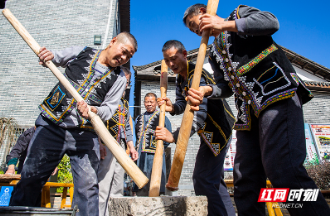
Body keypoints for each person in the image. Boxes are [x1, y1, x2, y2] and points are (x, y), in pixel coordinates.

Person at [183, 4, 330, 216]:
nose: (193, 30)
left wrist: (224, 24)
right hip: (247, 115)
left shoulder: (238, 14)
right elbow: (225, 86)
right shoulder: (213, 53)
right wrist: (207, 90)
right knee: (245, 178)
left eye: (192, 24)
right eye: (189, 29)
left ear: (204, 14)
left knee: (283, 169)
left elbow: (271, 22)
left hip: (276, 95)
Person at [9, 32, 138, 216]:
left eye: (129, 56)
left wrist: (94, 111)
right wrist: (49, 55)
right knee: (31, 177)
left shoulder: (118, 79)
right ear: (113, 41)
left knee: (88, 189)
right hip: (52, 124)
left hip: (85, 134)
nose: (124, 58)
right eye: (124, 51)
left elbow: (109, 109)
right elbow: (56, 57)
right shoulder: (83, 52)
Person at [155, 40, 236, 216]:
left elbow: (198, 115)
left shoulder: (196, 76)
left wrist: (175, 136)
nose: (171, 64)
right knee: (214, 181)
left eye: (174, 59)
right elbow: (182, 103)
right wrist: (173, 107)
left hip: (219, 132)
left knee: (203, 179)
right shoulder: (180, 79)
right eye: (167, 60)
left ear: (184, 54)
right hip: (208, 134)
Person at [98, 67, 139, 216]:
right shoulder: (106, 99)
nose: (125, 85)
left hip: (121, 147)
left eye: (127, 82)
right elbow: (98, 122)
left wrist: (131, 147)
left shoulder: (125, 103)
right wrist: (100, 143)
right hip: (108, 143)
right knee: (104, 182)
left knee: (118, 183)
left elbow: (127, 127)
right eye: (123, 81)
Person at [132, 93, 172, 196]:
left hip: (154, 155)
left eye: (151, 102)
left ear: (155, 103)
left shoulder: (162, 117)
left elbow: (168, 137)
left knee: (154, 180)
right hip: (140, 155)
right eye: (146, 102)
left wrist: (159, 148)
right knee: (140, 180)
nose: (149, 104)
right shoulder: (139, 118)